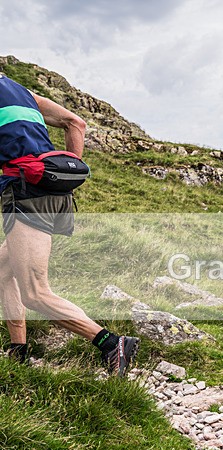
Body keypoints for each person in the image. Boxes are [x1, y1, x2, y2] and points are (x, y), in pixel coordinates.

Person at [0, 73, 138, 376]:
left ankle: (111, 343)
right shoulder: (23, 93)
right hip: (50, 190)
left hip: (26, 193)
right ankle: (18, 349)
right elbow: (77, 123)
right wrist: (65, 177)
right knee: (1, 270)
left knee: (35, 292)